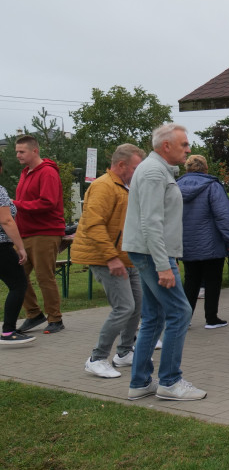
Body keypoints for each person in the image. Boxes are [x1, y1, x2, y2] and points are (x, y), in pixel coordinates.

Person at [123, 123, 207, 401]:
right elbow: (150, 222)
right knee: (180, 312)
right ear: (166, 146)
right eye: (184, 144)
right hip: (151, 254)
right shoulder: (152, 172)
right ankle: (170, 382)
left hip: (151, 252)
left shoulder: (156, 170)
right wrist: (163, 265)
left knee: (155, 316)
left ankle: (140, 381)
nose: (189, 149)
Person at [72, 143, 146, 376]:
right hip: (106, 258)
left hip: (125, 257)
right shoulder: (104, 186)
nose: (138, 173)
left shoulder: (124, 186)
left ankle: (124, 352)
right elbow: (94, 225)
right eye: (136, 167)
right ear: (121, 165)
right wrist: (112, 258)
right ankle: (96, 358)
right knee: (124, 307)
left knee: (136, 305)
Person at [178, 155, 229, 330]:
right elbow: (223, 215)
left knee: (191, 280)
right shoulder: (213, 186)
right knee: (213, 279)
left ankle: (185, 318)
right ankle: (211, 317)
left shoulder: (175, 186)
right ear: (206, 168)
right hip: (211, 242)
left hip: (186, 241)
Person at [12, 134, 66, 334]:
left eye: (21, 151)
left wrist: (15, 204)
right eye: (16, 151)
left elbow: (47, 202)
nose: (18, 155)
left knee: (45, 277)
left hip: (45, 232)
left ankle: (55, 319)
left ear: (35, 151)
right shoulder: (26, 172)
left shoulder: (47, 173)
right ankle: (34, 314)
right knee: (16, 276)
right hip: (24, 233)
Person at [0, 159, 32, 345]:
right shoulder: (0, 191)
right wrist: (20, 247)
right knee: (18, 284)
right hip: (2, 247)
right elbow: (6, 221)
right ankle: (8, 331)